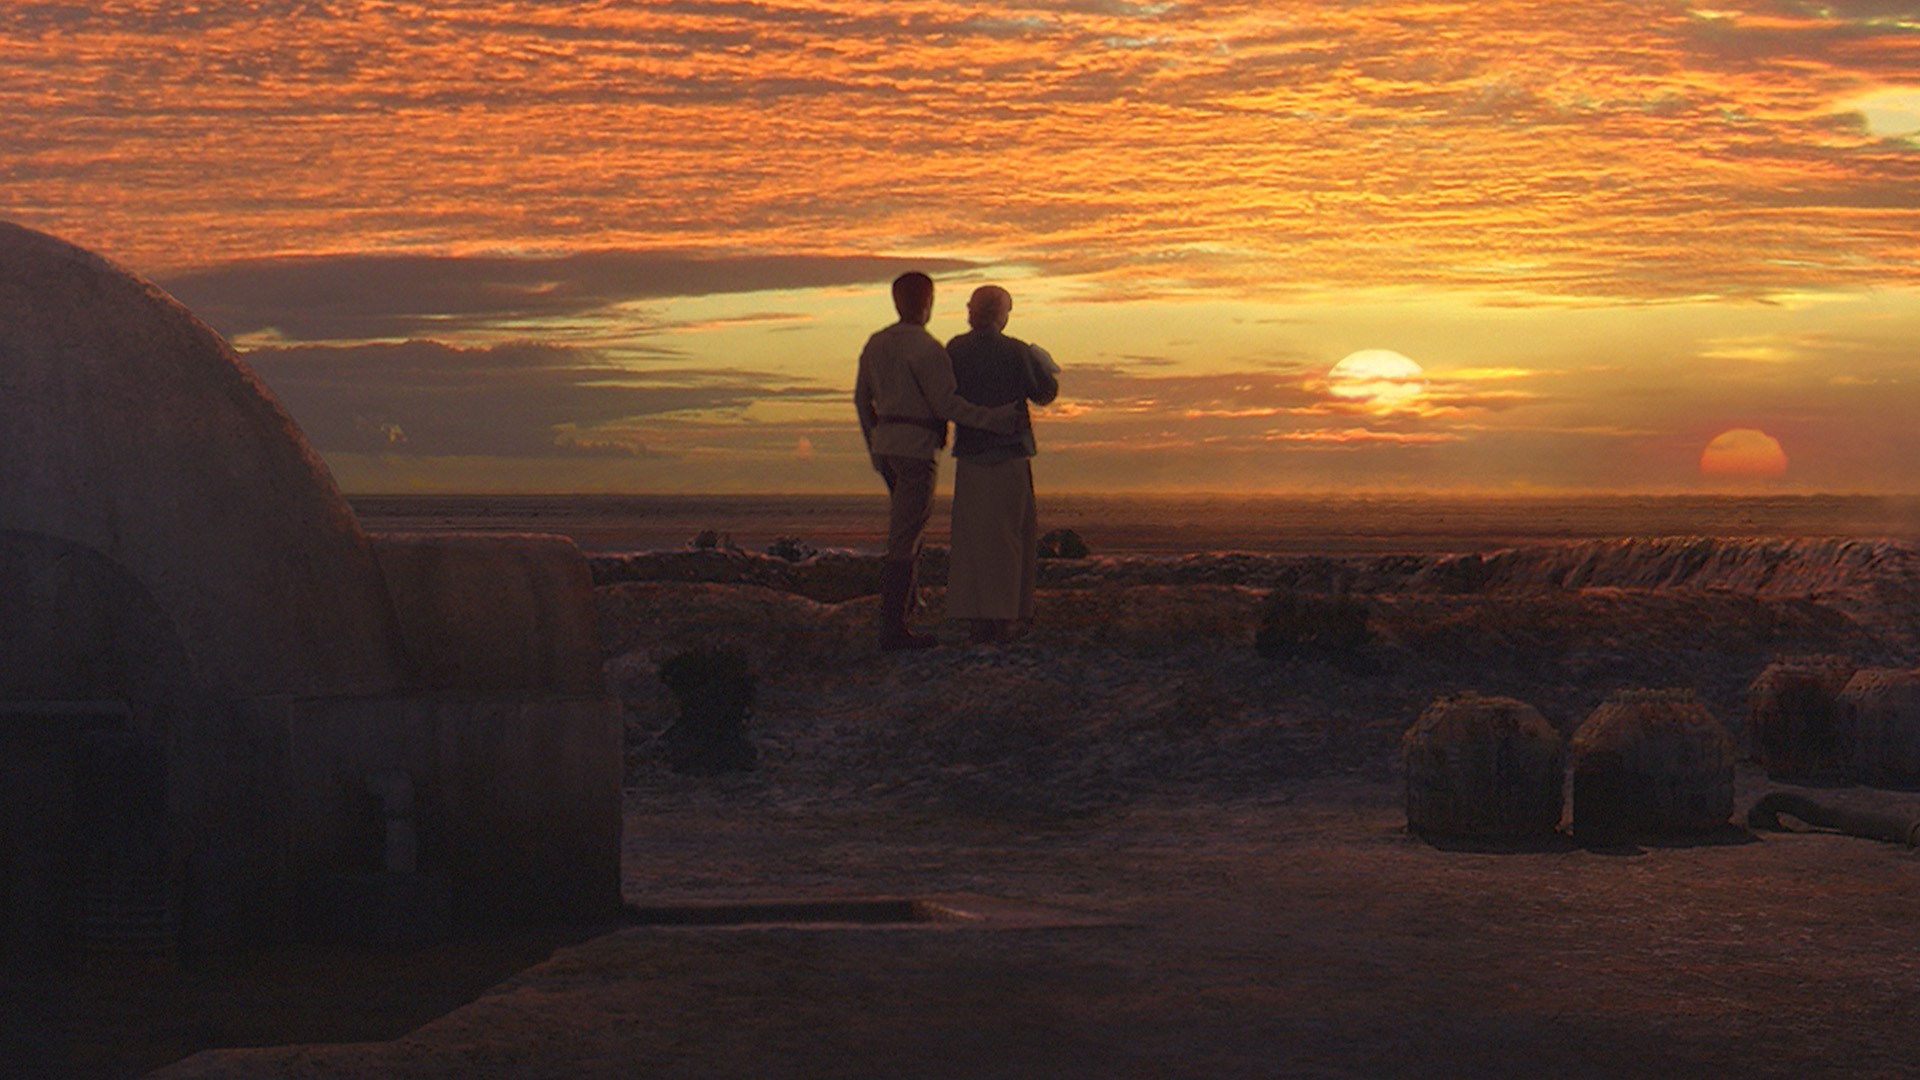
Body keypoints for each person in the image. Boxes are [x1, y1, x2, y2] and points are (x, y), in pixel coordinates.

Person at [854, 272, 1020, 651]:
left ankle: (908, 606)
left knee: (907, 524)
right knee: (907, 534)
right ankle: (894, 627)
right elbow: (947, 405)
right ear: (927, 302)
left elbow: (862, 400)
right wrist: (994, 419)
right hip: (917, 448)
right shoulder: (927, 350)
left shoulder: (876, 343)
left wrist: (874, 446)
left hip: (888, 448)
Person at [944, 285, 1059, 645]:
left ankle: (977, 619)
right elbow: (1044, 394)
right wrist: (1045, 364)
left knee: (972, 539)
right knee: (1012, 538)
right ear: (1002, 313)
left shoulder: (954, 349)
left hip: (971, 453)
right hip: (1009, 452)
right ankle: (1007, 618)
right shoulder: (1017, 350)